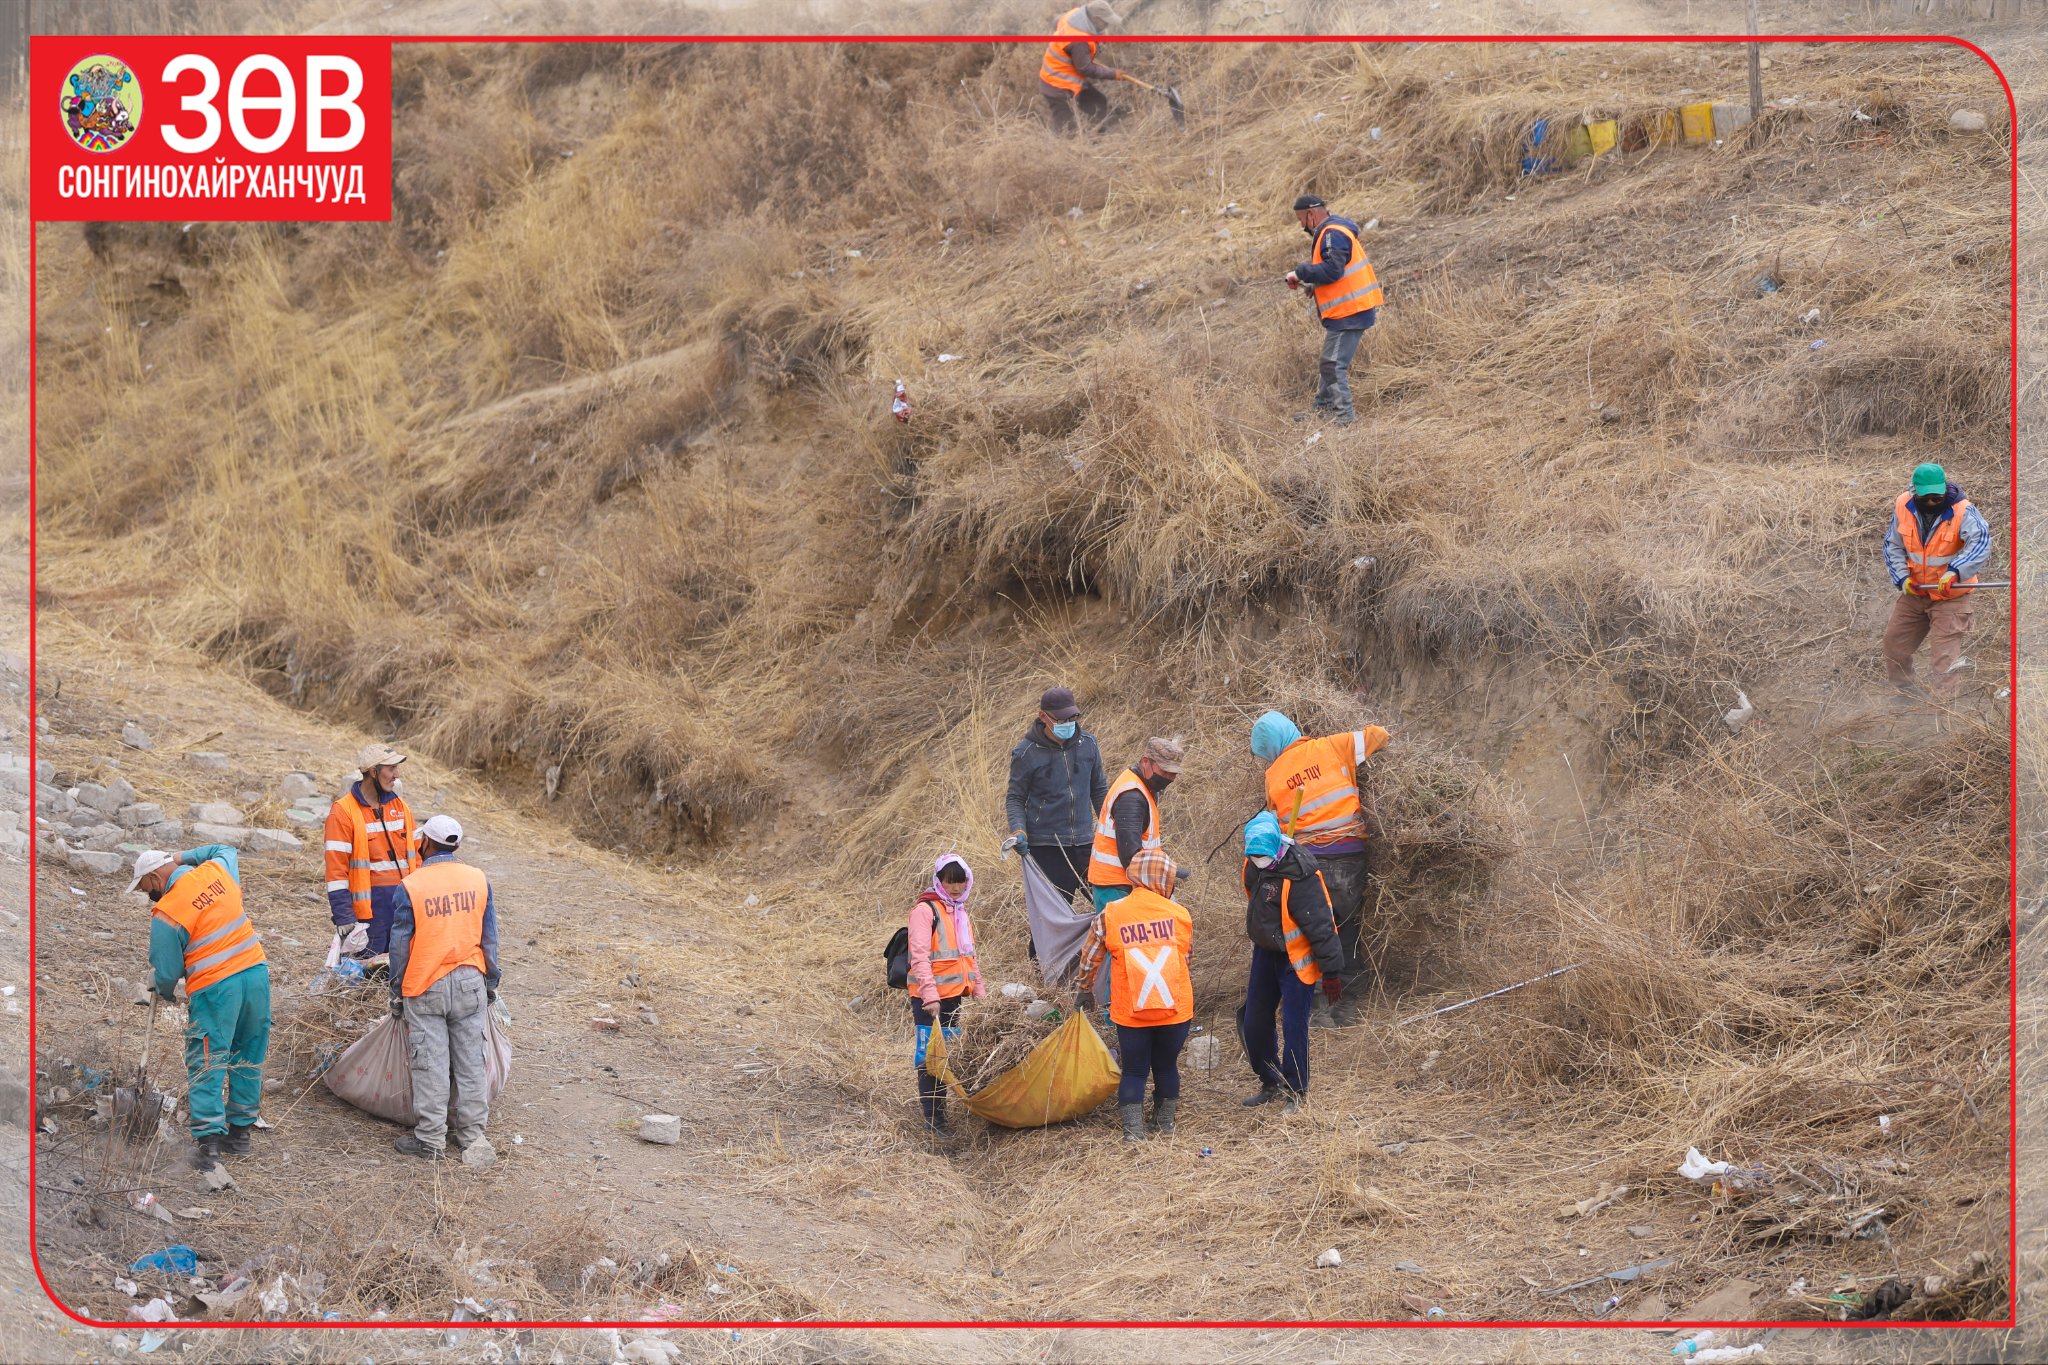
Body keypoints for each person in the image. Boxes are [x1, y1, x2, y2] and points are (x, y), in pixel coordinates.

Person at [132, 844, 270, 1169]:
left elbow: (166, 972)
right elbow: (225, 849)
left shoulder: (167, 911)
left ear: (155, 877)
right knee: (247, 1053)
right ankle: (239, 1135)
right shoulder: (217, 872)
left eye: (145, 887)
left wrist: (162, 988)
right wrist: (180, 856)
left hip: (217, 987)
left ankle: (208, 1147)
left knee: (207, 1059)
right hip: (256, 974)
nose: (147, 894)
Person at [1251, 709, 1389, 1028]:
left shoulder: (1273, 776)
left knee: (1315, 932)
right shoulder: (1333, 746)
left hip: (1307, 864)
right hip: (1350, 856)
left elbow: (1276, 827)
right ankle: (1349, 1004)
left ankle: (1319, 1006)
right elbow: (1380, 735)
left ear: (1270, 748)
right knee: (1349, 927)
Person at [387, 815, 500, 1160]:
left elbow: (400, 946)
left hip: (426, 984)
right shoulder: (478, 880)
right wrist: (491, 983)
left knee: (431, 1063)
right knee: (470, 1061)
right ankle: (471, 1135)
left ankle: (431, 1139)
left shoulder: (411, 885)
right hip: (470, 981)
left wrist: (396, 991)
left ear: (426, 844)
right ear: (456, 846)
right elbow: (489, 938)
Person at [1076, 849, 1194, 1142]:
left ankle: (1134, 1132)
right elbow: (1186, 958)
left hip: (1132, 1011)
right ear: (1162, 879)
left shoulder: (1112, 913)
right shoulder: (1180, 914)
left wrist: (1084, 989)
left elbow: (1090, 956)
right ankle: (1165, 1124)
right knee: (1167, 1066)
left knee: (1134, 1070)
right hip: (1175, 1010)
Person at [1236, 813, 1343, 1112]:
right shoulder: (1253, 866)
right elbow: (1255, 899)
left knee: (1294, 1026)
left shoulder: (1301, 876)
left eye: (1261, 855)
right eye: (1252, 854)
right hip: (1265, 953)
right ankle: (1270, 1080)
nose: (1257, 859)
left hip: (1296, 961)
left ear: (1275, 848)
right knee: (1254, 1021)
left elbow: (1322, 925)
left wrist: (1332, 971)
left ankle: (1296, 1091)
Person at [1004, 685, 1110, 939]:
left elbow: (1099, 790)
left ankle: (1106, 962)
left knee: (1108, 903)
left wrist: (1110, 828)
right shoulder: (1026, 753)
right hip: (1047, 848)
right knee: (1051, 916)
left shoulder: (1089, 745)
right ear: (1044, 717)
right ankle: (1044, 971)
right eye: (1061, 720)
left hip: (1086, 842)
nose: (1068, 724)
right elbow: (1015, 798)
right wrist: (1019, 830)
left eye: (1072, 718)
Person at [1883, 461, 1992, 705]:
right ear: (1914, 492)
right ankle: (1906, 695)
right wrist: (1902, 578)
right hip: (1915, 592)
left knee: (1944, 661)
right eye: (1926, 498)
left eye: (1937, 497)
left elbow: (1981, 541)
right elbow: (1893, 545)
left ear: (1944, 489)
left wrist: (1955, 571)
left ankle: (1944, 712)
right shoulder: (1903, 505)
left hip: (1951, 597)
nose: (1932, 502)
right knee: (1894, 646)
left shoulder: (1963, 510)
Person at [1282, 194, 1383, 427]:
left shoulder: (1332, 233)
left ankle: (1344, 418)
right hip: (1350, 309)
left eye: (1300, 219)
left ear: (1311, 213)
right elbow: (1337, 275)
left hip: (1350, 311)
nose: (1300, 225)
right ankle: (1324, 409)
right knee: (1331, 361)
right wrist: (1312, 286)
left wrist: (1302, 272)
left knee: (1332, 364)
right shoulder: (1333, 232)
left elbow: (1332, 270)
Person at [907, 855, 986, 1137]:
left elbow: (969, 955)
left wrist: (979, 989)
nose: (955, 887)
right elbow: (919, 956)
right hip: (930, 1001)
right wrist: (930, 996)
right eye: (949, 882)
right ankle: (934, 1121)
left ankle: (942, 1117)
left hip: (954, 997)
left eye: (960, 881)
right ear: (939, 881)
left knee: (947, 1056)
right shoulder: (925, 911)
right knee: (929, 1058)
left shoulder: (959, 911)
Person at [325, 743, 418, 967]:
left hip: (404, 908)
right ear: (373, 772)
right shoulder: (343, 811)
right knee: (367, 976)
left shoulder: (400, 806)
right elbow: (336, 871)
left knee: (402, 971)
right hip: (368, 917)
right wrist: (344, 916)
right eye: (391, 769)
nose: (396, 775)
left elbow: (418, 855)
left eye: (397, 768)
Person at [1087, 735, 1194, 914]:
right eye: (1165, 771)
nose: (1169, 777)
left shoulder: (1142, 786)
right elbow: (1131, 856)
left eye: (1173, 773)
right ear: (1146, 762)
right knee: (1122, 942)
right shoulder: (1132, 797)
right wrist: (1166, 872)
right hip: (1117, 888)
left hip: (1122, 884)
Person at [1039, 1, 1124, 134]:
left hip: (1070, 78)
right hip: (1056, 87)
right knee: (1067, 131)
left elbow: (1056, 20)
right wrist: (1113, 74)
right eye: (1105, 22)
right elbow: (1086, 69)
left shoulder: (1075, 15)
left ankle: (1097, 136)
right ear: (1095, 19)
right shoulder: (1079, 41)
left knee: (1098, 103)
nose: (1107, 25)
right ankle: (1066, 150)